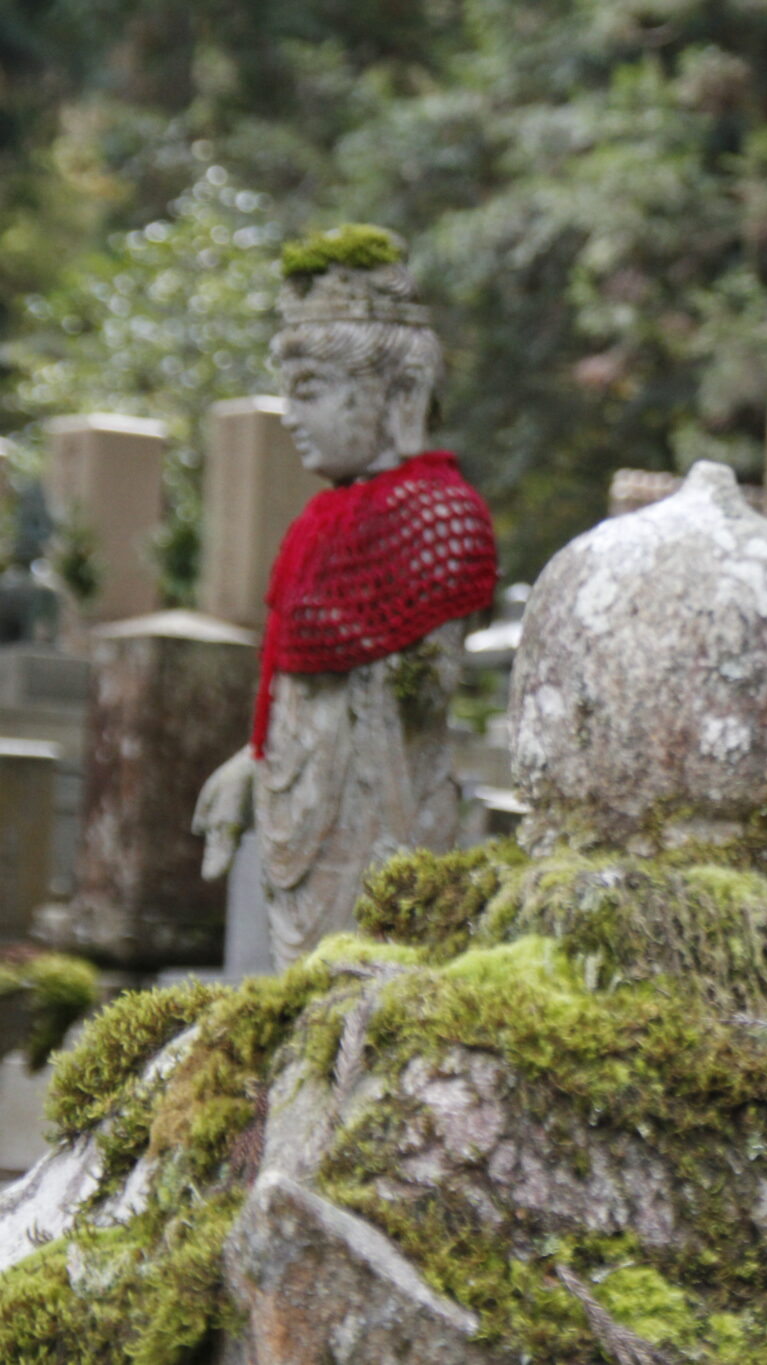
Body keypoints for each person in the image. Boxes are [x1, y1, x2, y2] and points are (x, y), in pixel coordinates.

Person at [193, 228, 496, 969]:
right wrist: (254, 761)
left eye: (311, 392)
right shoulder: (322, 521)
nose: (291, 415)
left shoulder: (440, 515)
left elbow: (420, 694)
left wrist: (409, 668)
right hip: (301, 807)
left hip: (383, 813)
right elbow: (296, 679)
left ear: (398, 394)